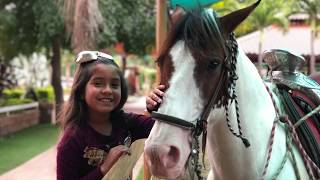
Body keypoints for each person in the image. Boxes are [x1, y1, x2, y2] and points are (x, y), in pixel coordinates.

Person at [56, 51, 165, 180]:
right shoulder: (72, 140)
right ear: (80, 92)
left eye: (114, 85)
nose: (108, 90)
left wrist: (156, 107)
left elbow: (161, 128)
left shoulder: (126, 123)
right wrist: (103, 169)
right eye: (98, 83)